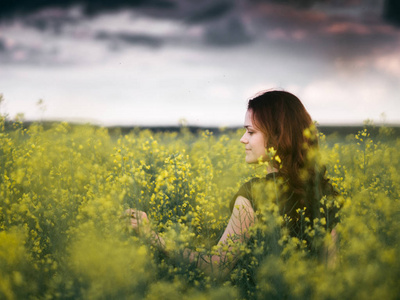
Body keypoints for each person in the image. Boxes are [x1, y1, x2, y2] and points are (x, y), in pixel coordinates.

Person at [125, 90, 340, 279]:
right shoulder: (326, 192)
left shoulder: (253, 195)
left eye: (251, 131)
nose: (243, 139)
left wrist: (153, 237)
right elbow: (331, 274)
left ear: (277, 136)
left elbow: (217, 267)